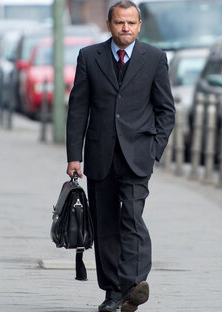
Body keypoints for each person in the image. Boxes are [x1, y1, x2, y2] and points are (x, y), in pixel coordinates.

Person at [65, 1, 175, 311]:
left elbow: (166, 110)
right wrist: (75, 155)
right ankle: (112, 293)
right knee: (106, 225)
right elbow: (78, 109)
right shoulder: (89, 57)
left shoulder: (154, 58)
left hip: (138, 155)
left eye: (130, 23)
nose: (125, 28)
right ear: (109, 24)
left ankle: (133, 284)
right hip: (100, 156)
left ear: (139, 26)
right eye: (119, 23)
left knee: (132, 218)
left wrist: (155, 148)